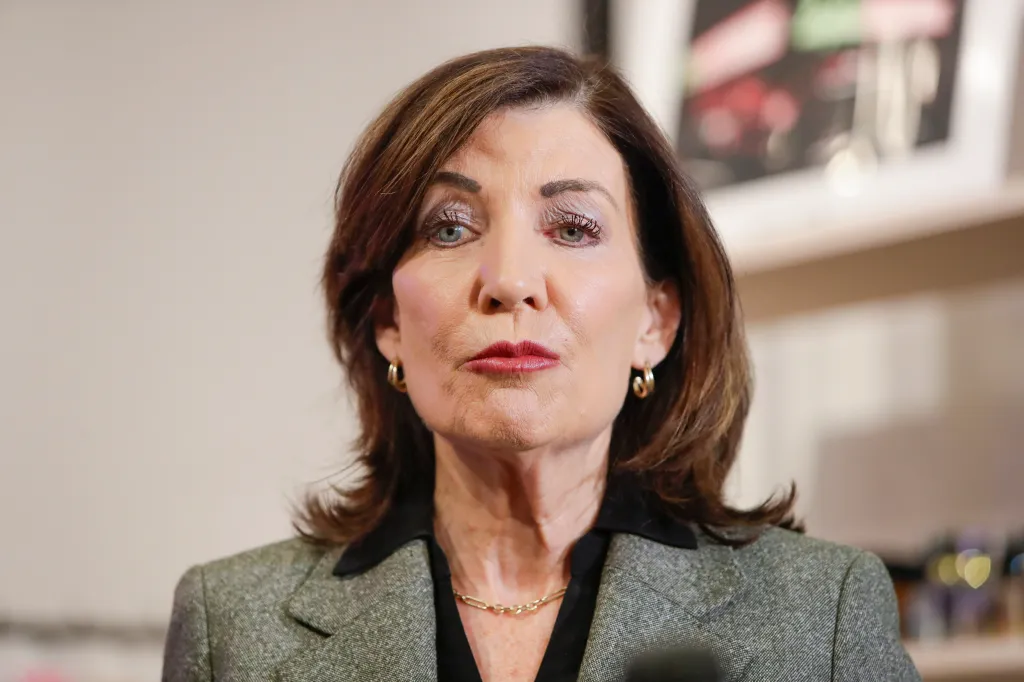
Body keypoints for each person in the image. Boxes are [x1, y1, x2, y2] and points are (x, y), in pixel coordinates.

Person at [162, 46, 920, 682]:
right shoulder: (231, 623)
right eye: (451, 229)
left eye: (573, 227)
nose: (511, 280)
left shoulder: (822, 612)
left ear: (655, 320)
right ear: (388, 322)